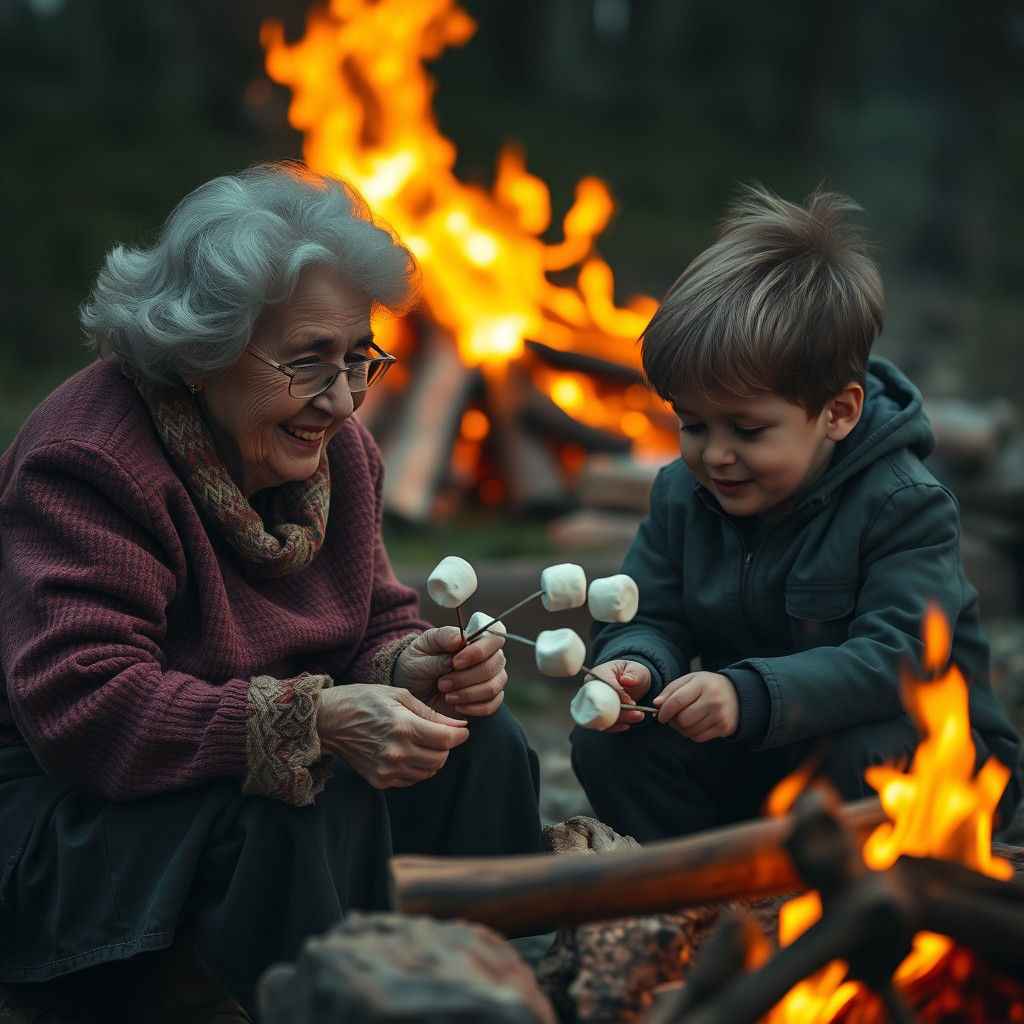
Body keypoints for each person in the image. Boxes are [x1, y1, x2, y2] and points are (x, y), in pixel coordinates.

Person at [0, 161, 544, 1023]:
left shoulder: (337, 454)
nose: (343, 400)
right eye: (308, 363)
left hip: (225, 779)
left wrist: (412, 667)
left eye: (359, 359)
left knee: (478, 741)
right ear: (202, 351)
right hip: (77, 824)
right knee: (301, 797)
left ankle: (507, 987)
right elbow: (87, 711)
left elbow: (375, 620)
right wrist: (309, 721)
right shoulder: (89, 464)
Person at [570, 184, 1023, 844]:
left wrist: (748, 694)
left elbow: (899, 659)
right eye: (692, 425)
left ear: (838, 412)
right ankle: (701, 888)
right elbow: (648, 611)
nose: (715, 455)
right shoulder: (680, 495)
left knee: (868, 749)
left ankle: (849, 894)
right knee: (611, 744)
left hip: (918, 758)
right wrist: (637, 664)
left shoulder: (905, 506)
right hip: (765, 756)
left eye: (748, 430)